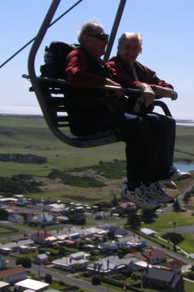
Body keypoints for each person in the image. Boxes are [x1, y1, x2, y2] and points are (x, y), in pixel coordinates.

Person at [64, 20, 173, 209]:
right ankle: (133, 186)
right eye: (102, 37)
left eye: (106, 38)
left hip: (100, 113)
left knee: (156, 122)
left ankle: (149, 182)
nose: (105, 42)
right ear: (87, 39)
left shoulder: (96, 61)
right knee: (138, 126)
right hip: (88, 117)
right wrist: (105, 81)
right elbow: (74, 75)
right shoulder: (78, 54)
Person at [106, 32, 190, 187]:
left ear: (140, 50)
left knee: (169, 121)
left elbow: (162, 84)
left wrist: (166, 90)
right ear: (118, 48)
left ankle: (165, 170)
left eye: (135, 48)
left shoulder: (141, 69)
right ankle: (157, 174)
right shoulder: (113, 65)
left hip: (138, 112)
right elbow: (125, 82)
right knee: (155, 122)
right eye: (127, 48)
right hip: (124, 113)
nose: (131, 52)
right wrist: (149, 88)